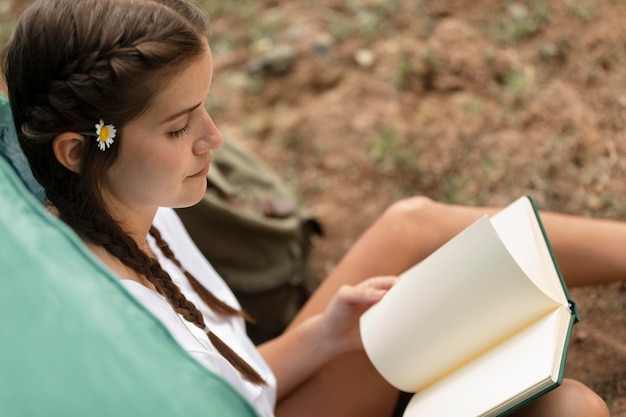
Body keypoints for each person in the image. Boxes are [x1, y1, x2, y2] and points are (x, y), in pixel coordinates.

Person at [1, 0, 621, 416]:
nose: (213, 138)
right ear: (79, 151)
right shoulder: (116, 329)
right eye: (178, 128)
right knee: (575, 409)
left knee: (412, 223)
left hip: (261, 393)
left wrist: (323, 339)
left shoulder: (134, 206)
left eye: (205, 108)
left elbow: (235, 374)